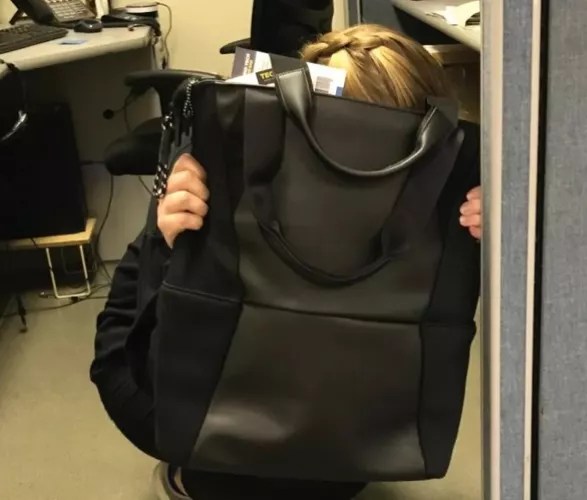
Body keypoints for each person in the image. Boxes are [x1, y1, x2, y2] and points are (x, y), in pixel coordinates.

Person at [90, 24, 483, 500]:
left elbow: (127, 345)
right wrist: (489, 246)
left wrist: (161, 240)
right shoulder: (445, 190)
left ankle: (196, 482)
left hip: (210, 425)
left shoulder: (238, 168)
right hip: (368, 439)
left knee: (130, 337)